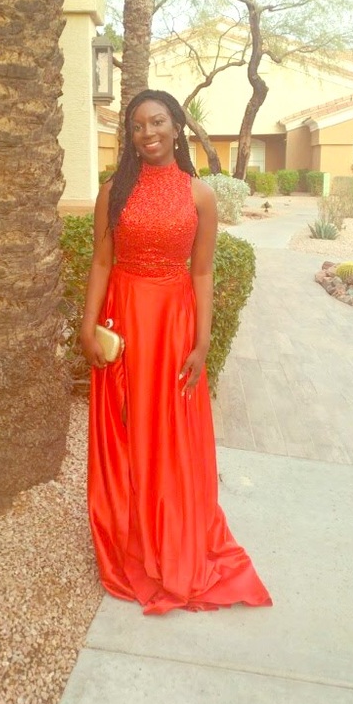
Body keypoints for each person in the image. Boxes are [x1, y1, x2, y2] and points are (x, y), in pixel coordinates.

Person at [80, 89, 272, 615]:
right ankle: (127, 531)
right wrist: (87, 323)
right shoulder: (112, 193)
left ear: (176, 126)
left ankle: (169, 529)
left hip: (172, 321)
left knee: (168, 429)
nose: (148, 133)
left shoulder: (199, 196)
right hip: (124, 315)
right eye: (138, 125)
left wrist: (203, 338)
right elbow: (101, 260)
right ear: (130, 135)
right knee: (124, 426)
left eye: (158, 122)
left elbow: (202, 271)